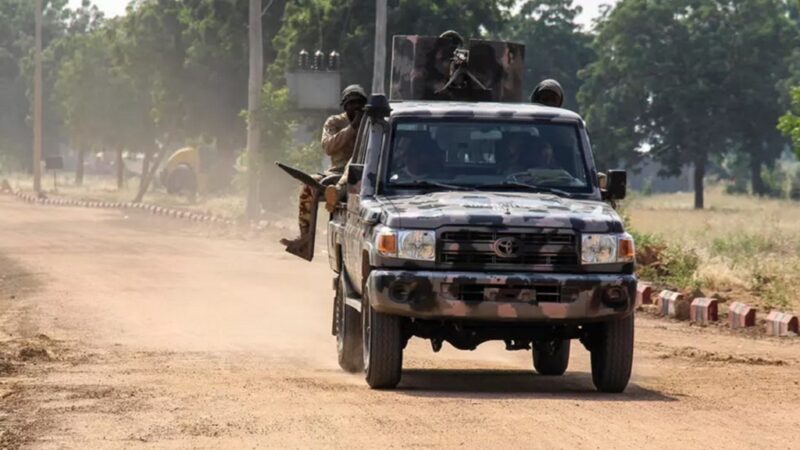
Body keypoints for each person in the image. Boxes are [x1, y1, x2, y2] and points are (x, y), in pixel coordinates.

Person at [281, 85, 368, 252]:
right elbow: (328, 146)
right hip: (336, 173)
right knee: (309, 184)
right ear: (345, 106)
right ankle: (304, 237)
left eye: (359, 104)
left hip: (364, 174)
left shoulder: (371, 123)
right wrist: (352, 128)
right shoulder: (335, 122)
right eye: (352, 103)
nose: (356, 107)